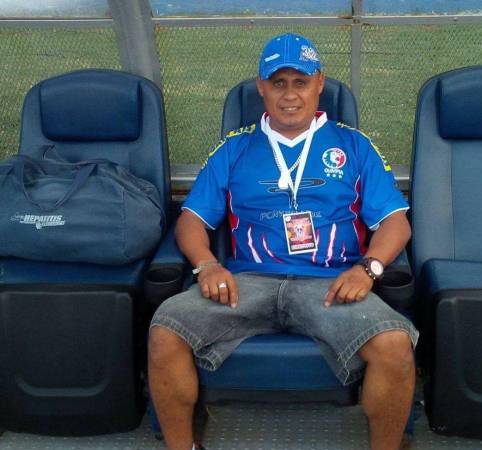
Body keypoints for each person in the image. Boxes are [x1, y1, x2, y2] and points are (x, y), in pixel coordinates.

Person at [148, 32, 418, 450]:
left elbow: (395, 223)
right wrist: (207, 264)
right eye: (278, 83)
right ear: (261, 87)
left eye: (300, 82)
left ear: (319, 83)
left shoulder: (353, 145)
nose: (289, 95)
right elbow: (191, 220)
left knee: (394, 343)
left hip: (330, 283)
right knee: (166, 328)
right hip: (246, 283)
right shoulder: (234, 149)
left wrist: (368, 268)